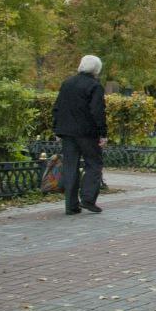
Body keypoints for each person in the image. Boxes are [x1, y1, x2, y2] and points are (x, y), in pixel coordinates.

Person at [53, 55, 108, 215]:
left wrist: (57, 129)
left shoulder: (67, 83)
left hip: (67, 132)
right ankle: (88, 199)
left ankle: (71, 206)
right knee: (94, 164)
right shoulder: (94, 86)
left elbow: (58, 107)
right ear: (96, 69)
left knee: (71, 166)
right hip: (87, 133)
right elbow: (97, 111)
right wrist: (102, 133)